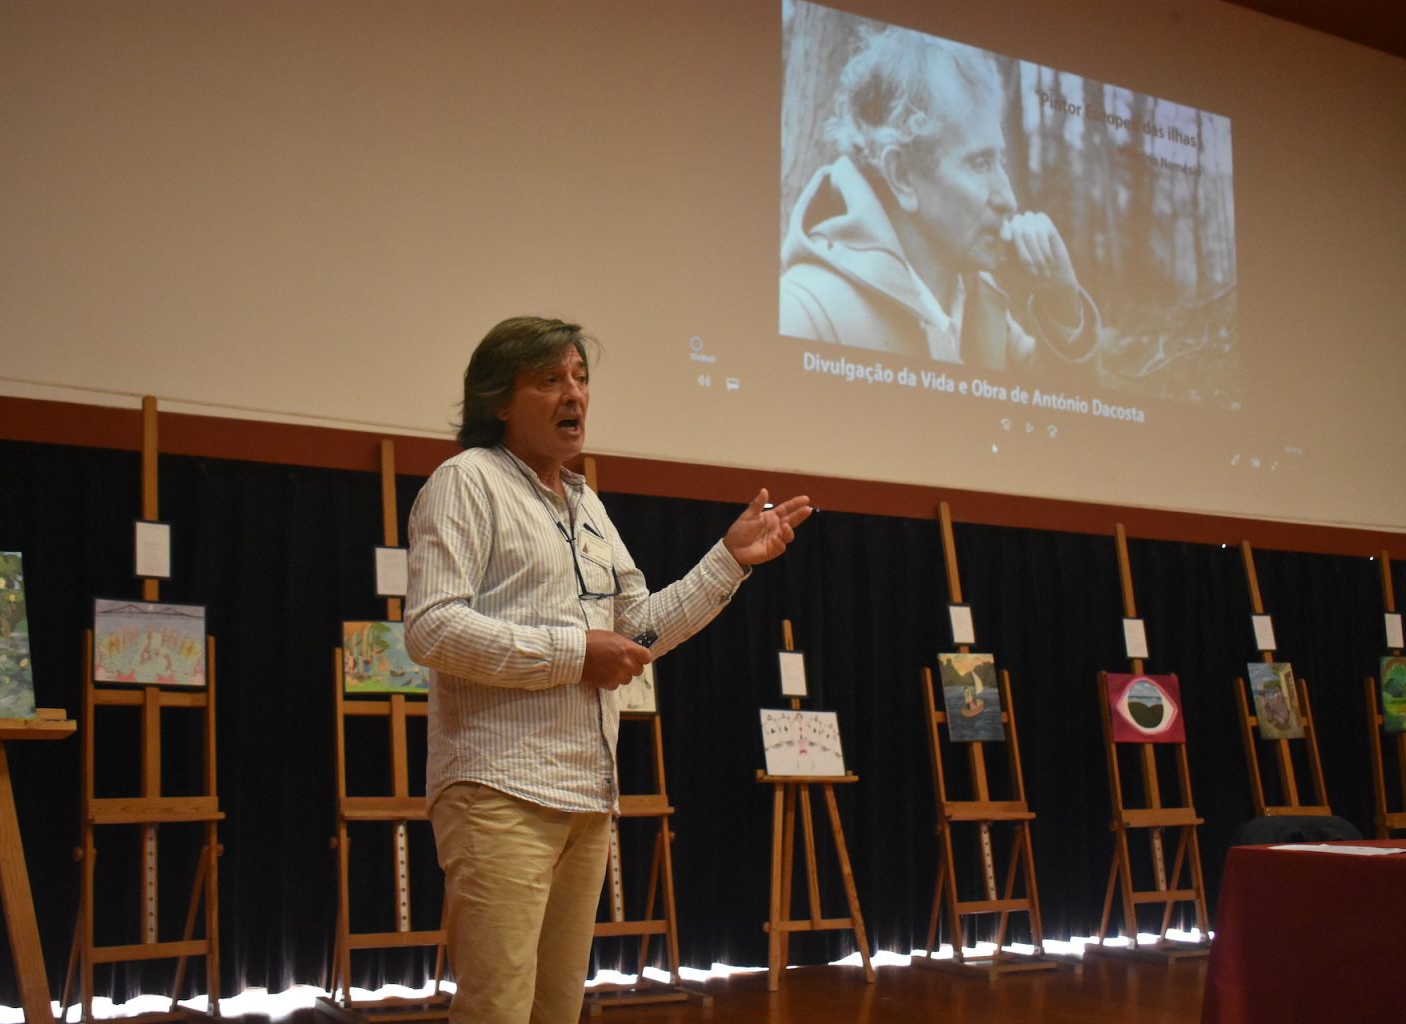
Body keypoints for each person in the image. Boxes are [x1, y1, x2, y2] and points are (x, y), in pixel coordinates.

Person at [405, 316, 812, 1023]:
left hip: (586, 798)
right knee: (497, 1009)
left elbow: (637, 629)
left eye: (581, 378)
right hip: (497, 791)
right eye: (550, 379)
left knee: (556, 1008)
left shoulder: (586, 503)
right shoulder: (465, 482)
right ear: (499, 400)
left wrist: (729, 560)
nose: (574, 394)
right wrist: (575, 653)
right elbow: (432, 628)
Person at [780, 26, 1099, 371]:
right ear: (902, 176)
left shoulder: (982, 305)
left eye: (1001, 162)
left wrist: (1062, 304)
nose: (1008, 199)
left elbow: (1046, 401)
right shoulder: (803, 316)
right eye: (979, 163)